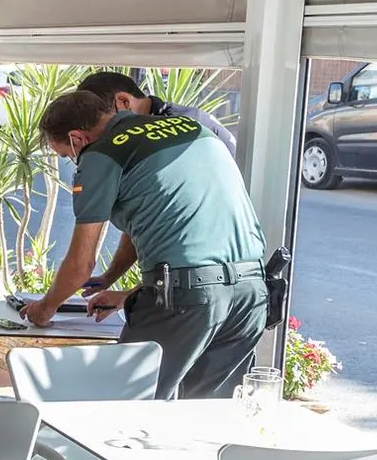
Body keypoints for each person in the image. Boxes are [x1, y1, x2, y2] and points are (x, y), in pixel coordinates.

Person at [25, 90, 268, 399]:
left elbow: (81, 263)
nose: (71, 160)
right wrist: (125, 290)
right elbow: (167, 220)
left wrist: (44, 309)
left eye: (66, 154)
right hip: (251, 293)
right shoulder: (190, 128)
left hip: (186, 298)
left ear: (77, 138)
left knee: (122, 406)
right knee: (206, 416)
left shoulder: (101, 153)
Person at [76, 70, 237, 154]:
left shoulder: (181, 126)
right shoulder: (153, 125)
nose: (109, 136)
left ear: (124, 102)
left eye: (107, 125)